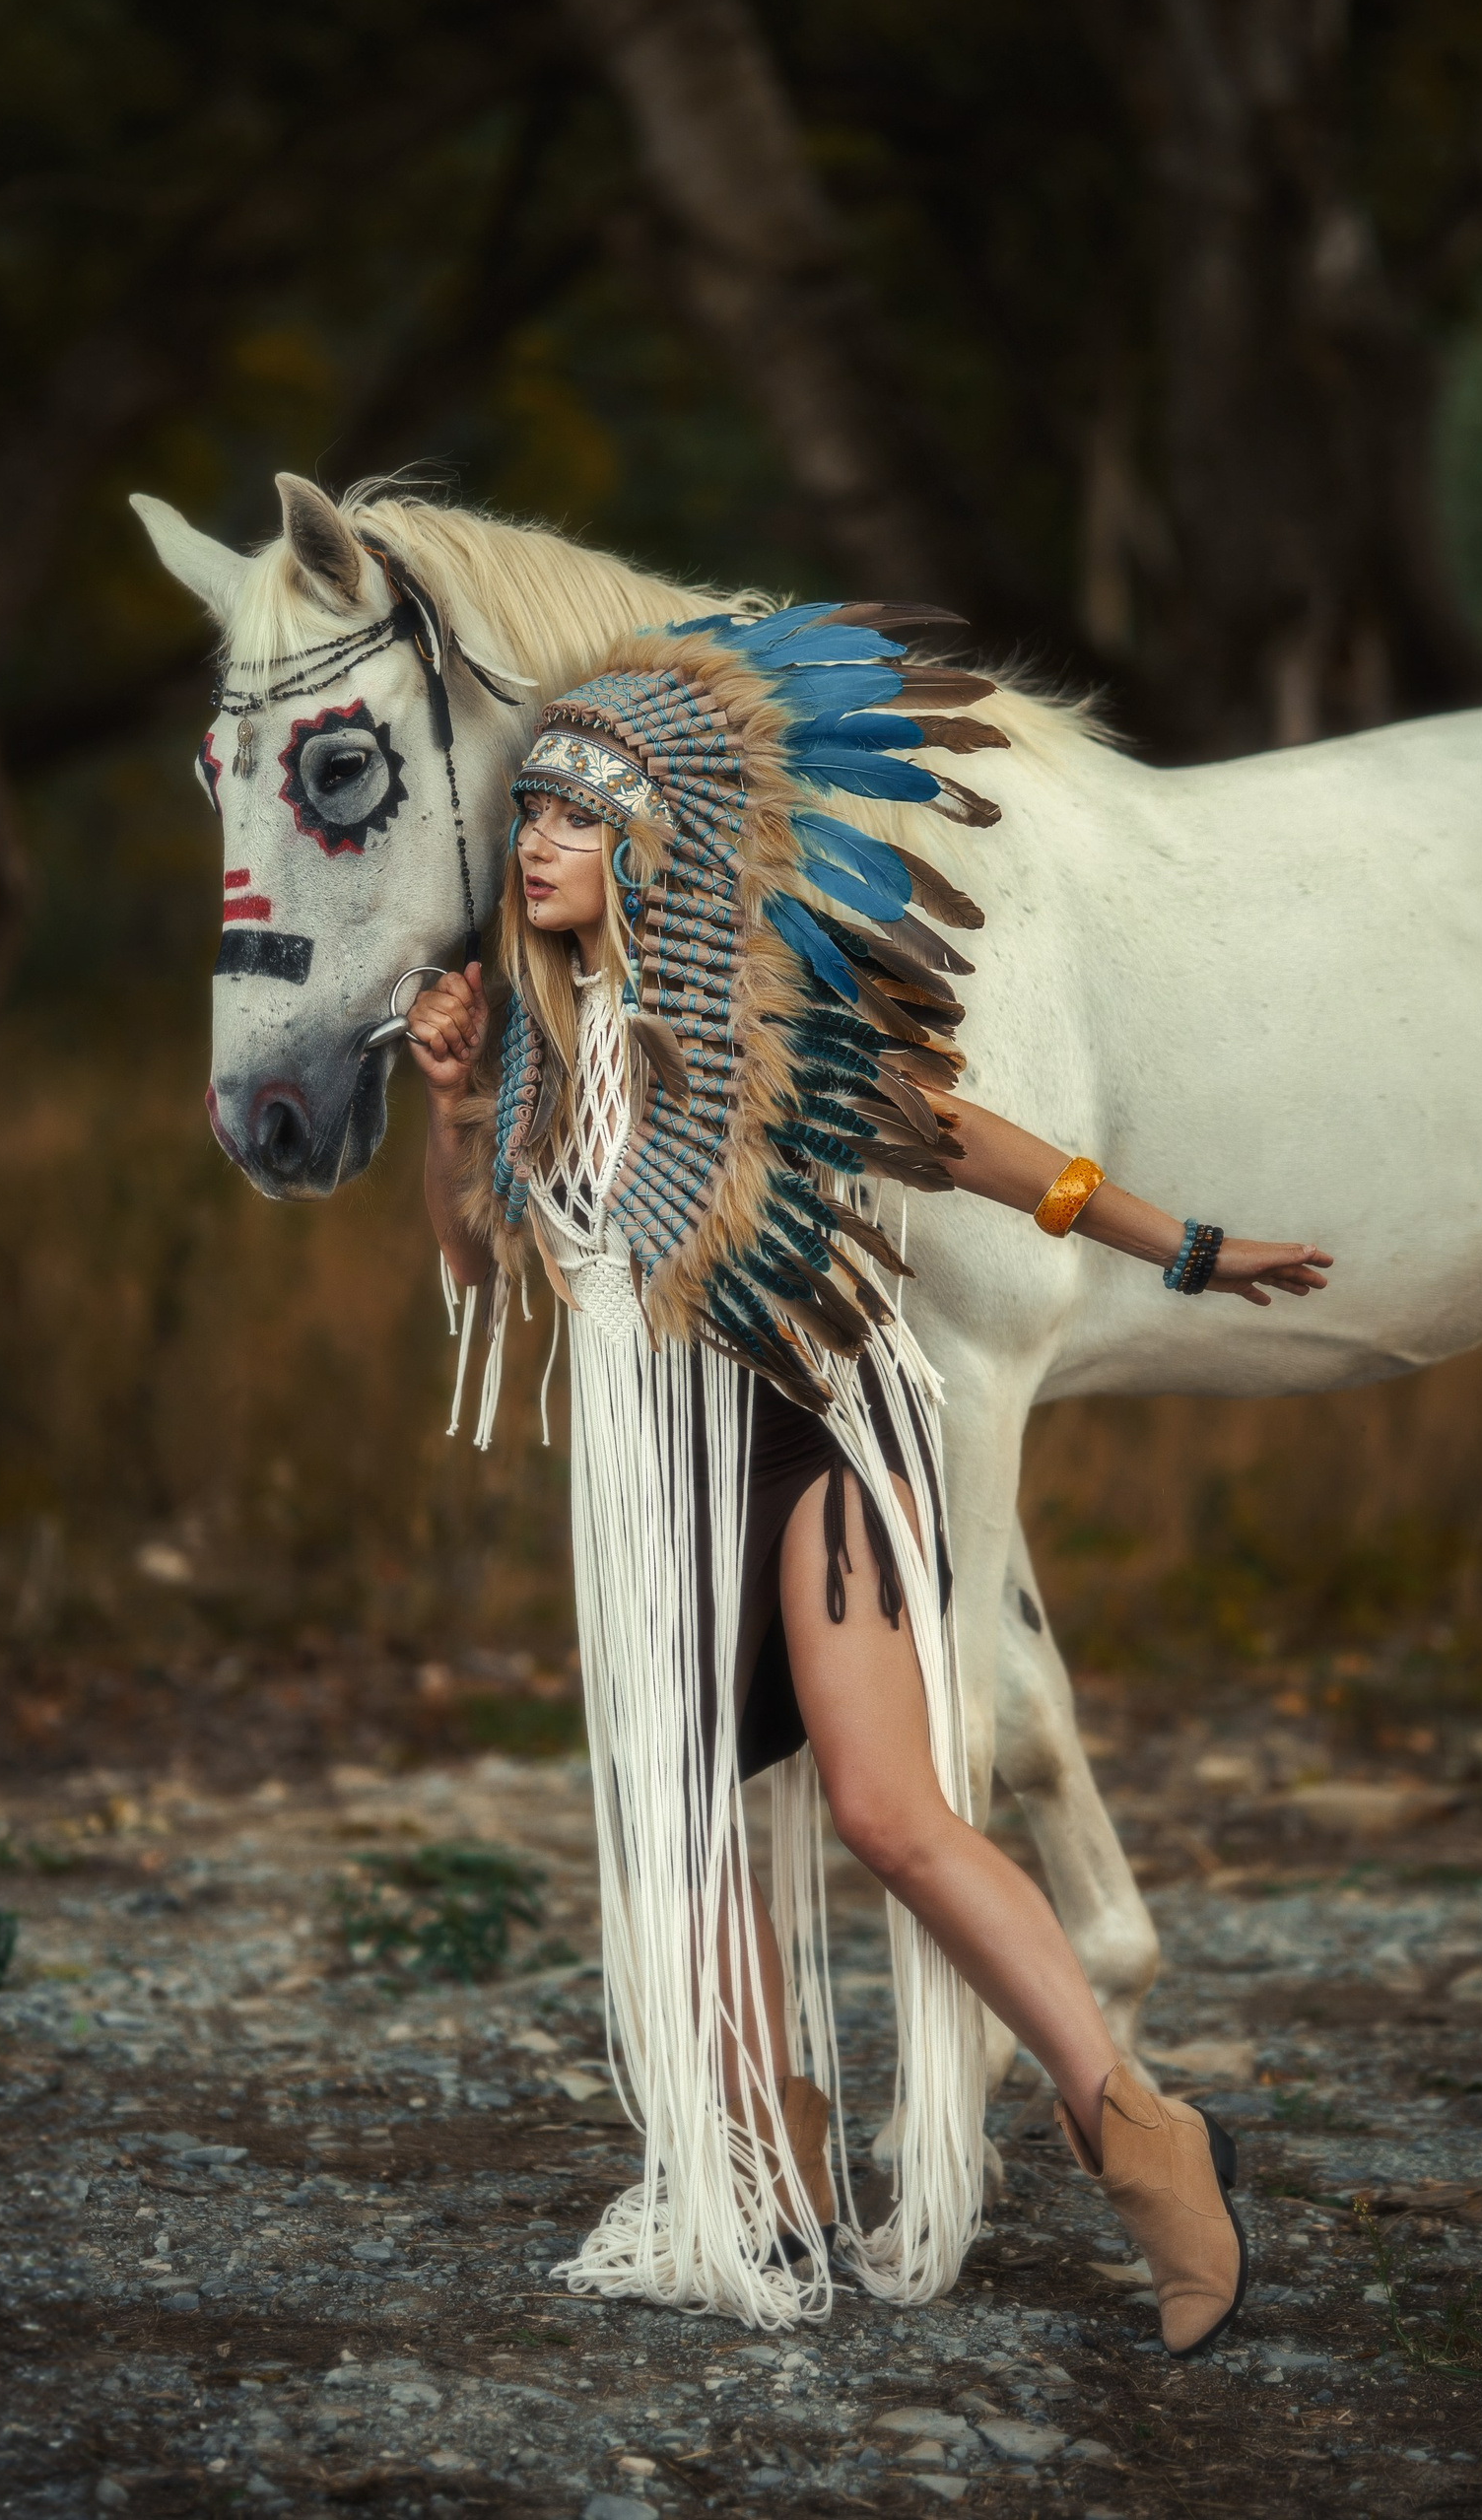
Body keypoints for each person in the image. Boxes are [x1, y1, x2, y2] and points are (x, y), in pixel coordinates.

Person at [404, 606, 1330, 2347]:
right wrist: (453, 1105)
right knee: (679, 1831)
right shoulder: (527, 1047)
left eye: (577, 815)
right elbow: (480, 1264)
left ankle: (1143, 2137)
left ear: (645, 841)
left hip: (812, 1429)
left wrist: (1186, 1246)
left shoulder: (759, 1014)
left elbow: (962, 1136)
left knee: (889, 1812)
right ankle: (772, 2162)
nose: (538, 842)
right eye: (530, 812)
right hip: (651, 1474)